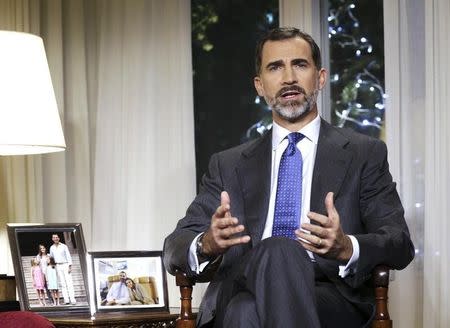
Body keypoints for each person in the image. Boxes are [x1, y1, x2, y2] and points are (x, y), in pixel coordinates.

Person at [163, 27, 415, 328]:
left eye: (300, 64)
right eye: (275, 67)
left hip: (327, 296)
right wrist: (206, 243)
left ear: (320, 78)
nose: (288, 78)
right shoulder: (228, 164)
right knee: (269, 261)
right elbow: (174, 247)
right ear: (260, 86)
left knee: (246, 311)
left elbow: (399, 243)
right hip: (241, 284)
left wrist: (347, 247)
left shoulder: (364, 154)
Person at [49, 233, 76, 305]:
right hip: (58, 266)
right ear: (52, 239)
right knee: (63, 284)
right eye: (54, 237)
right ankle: (66, 300)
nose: (55, 238)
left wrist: (70, 266)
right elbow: (51, 258)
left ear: (59, 238)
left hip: (65, 264)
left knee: (69, 282)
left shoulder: (64, 246)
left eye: (56, 237)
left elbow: (68, 256)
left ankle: (72, 299)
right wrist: (53, 266)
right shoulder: (52, 247)